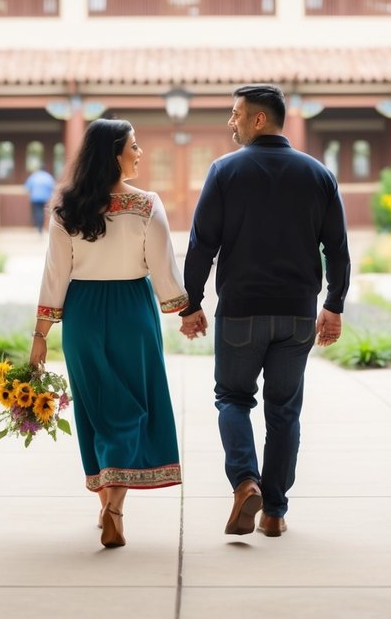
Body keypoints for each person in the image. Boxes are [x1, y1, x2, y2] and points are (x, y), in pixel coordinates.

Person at [180, 84, 349, 538]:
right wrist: (333, 304)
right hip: (296, 315)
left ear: (259, 119)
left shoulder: (225, 172)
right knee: (284, 411)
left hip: (240, 312)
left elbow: (201, 245)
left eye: (236, 114)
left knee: (233, 398)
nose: (230, 122)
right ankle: (274, 511)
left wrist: (190, 303)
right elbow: (337, 247)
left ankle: (245, 482)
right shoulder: (318, 175)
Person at [30, 118, 188, 549]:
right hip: (131, 313)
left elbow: (54, 275)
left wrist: (41, 334)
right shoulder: (146, 204)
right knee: (134, 405)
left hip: (82, 314)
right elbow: (163, 266)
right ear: (114, 153)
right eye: (134, 146)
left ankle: (106, 502)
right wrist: (183, 311)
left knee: (98, 409)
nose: (139, 154)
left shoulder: (67, 208)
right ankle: (113, 508)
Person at [24, 167, 57, 234]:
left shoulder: (33, 176)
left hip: (35, 198)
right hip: (46, 198)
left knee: (37, 212)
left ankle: (39, 227)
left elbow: (26, 188)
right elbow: (53, 187)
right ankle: (41, 227)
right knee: (43, 212)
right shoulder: (48, 177)